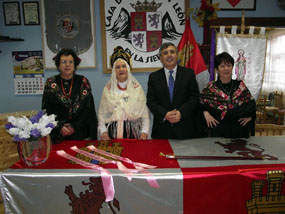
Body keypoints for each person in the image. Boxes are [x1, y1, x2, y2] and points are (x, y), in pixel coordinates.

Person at [42, 48, 98, 142]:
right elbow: (46, 110)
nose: (67, 65)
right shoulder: (50, 83)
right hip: (58, 133)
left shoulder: (83, 82)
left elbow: (89, 110)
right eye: (64, 62)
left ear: (75, 64)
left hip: (80, 131)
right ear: (58, 65)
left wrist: (74, 126)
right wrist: (59, 127)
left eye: (71, 62)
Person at [146, 42, 200, 139]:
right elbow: (151, 101)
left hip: (185, 129)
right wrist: (165, 114)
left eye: (172, 52)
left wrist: (181, 113)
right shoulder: (153, 77)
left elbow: (194, 98)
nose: (169, 55)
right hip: (162, 131)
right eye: (165, 53)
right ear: (160, 58)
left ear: (177, 55)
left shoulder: (188, 74)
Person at [200, 52, 256, 138]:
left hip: (239, 131)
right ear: (216, 69)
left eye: (229, 65)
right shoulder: (210, 88)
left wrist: (250, 116)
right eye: (222, 66)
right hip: (218, 131)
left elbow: (252, 106)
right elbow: (200, 105)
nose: (226, 69)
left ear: (232, 67)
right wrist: (205, 113)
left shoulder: (240, 86)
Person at [98, 46, 149, 140]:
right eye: (117, 67)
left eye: (124, 66)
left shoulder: (137, 89)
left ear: (128, 69)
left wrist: (144, 132)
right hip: (112, 134)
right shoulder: (107, 90)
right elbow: (101, 114)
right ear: (114, 71)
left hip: (134, 133)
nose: (121, 69)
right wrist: (103, 131)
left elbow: (144, 113)